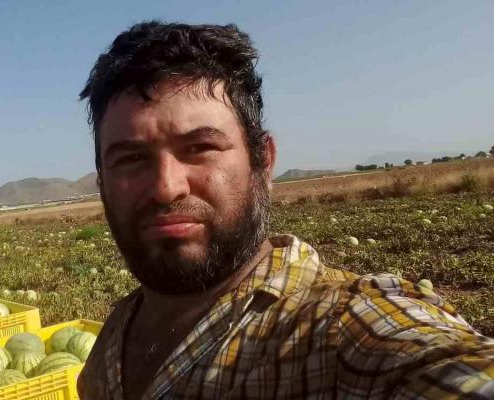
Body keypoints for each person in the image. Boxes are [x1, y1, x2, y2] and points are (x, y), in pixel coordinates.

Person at [76, 21, 494, 399]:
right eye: (130, 159)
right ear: (102, 181)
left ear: (263, 161)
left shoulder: (337, 331)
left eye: (200, 148)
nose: (166, 188)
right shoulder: (115, 334)